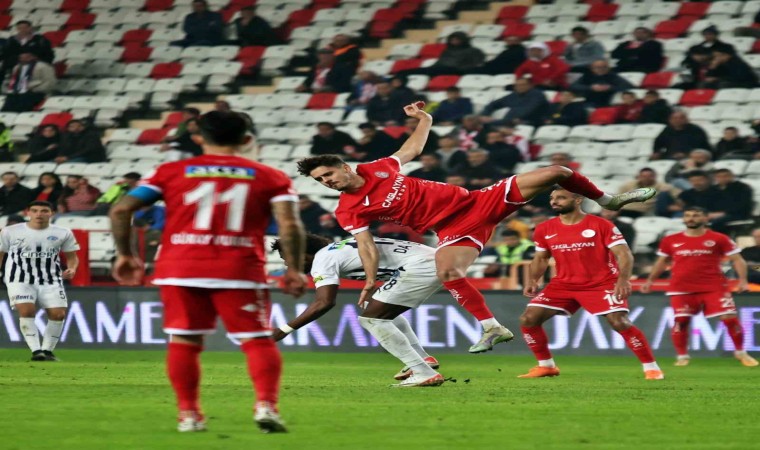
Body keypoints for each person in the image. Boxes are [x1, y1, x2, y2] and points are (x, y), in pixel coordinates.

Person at [296, 101, 656, 353]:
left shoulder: (377, 168)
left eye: (328, 174)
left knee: (557, 172)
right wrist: (371, 279)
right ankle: (491, 327)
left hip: (479, 200)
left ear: (344, 167)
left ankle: (608, 200)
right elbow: (366, 245)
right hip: (452, 228)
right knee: (447, 270)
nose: (327, 182)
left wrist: (425, 119)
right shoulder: (348, 209)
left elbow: (411, 150)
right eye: (320, 180)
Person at [109, 111, 307, 433]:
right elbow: (290, 224)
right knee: (257, 340)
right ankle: (266, 406)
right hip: (239, 268)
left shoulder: (168, 171)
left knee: (184, 341)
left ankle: (189, 415)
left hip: (180, 266)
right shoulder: (271, 176)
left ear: (198, 137)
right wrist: (294, 269)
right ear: (246, 139)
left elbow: (120, 210)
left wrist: (125, 254)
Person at [519, 187, 664, 380]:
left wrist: (623, 280)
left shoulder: (600, 224)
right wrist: (532, 279)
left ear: (578, 200)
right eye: (552, 198)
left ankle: (651, 368)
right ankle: (546, 366)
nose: (554, 201)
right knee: (528, 319)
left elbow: (624, 254)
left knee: (619, 322)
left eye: (561, 197)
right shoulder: (544, 228)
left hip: (601, 283)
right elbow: (541, 258)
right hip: (563, 284)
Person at [272, 234, 445, 386]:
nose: (286, 264)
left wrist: (283, 330)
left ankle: (423, 372)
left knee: (372, 319)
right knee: (376, 311)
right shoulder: (337, 249)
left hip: (422, 266)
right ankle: (423, 359)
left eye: (285, 257)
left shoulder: (321, 260)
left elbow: (324, 302)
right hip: (439, 259)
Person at [641, 207, 757, 367]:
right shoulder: (671, 240)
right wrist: (650, 281)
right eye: (687, 215)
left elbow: (737, 259)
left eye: (696, 215)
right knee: (681, 321)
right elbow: (662, 262)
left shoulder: (719, 238)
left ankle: (741, 352)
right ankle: (682, 356)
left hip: (714, 286)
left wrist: (742, 280)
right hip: (681, 287)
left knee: (729, 318)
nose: (691, 218)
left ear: (705, 218)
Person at [0, 200, 79, 362]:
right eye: (35, 210)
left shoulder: (63, 233)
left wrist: (72, 268)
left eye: (44, 211)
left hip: (50, 279)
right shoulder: (10, 231)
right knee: (27, 311)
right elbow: (0, 253)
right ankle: (36, 351)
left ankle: (47, 351)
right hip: (19, 278)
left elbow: (72, 256)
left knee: (58, 314)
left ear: (52, 213)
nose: (39, 214)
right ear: (28, 212)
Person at [397, 31, 485, 77]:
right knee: (406, 72)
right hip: (439, 68)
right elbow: (440, 62)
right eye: (452, 39)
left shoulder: (473, 50)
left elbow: (476, 64)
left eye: (457, 39)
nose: (454, 41)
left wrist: (460, 68)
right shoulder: (447, 50)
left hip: (455, 70)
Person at [481, 77, 549, 126]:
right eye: (517, 85)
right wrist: (485, 115)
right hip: (511, 121)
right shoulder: (514, 95)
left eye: (523, 85)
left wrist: (499, 121)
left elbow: (527, 110)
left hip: (531, 122)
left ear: (530, 85)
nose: (520, 87)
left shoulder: (537, 95)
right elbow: (494, 104)